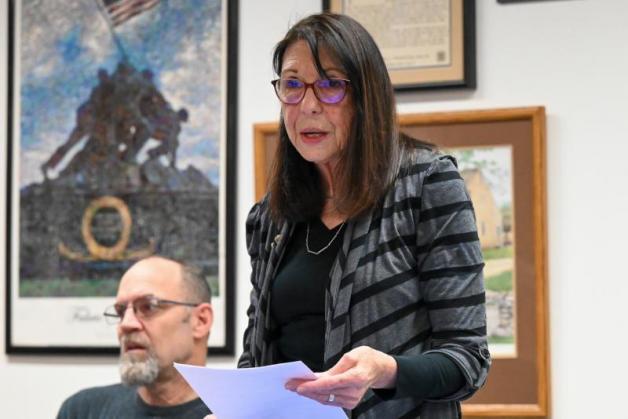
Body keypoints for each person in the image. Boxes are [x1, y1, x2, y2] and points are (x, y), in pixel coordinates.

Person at [238, 13, 490, 419]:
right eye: (293, 85)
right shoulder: (270, 219)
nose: (308, 105)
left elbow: (467, 360)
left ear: (365, 97)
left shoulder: (427, 185)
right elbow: (256, 357)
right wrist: (235, 408)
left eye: (330, 85)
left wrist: (385, 371)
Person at [57, 256, 215, 419]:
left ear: (200, 321)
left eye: (148, 307)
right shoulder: (83, 411)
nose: (126, 324)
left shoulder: (228, 413)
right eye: (121, 312)